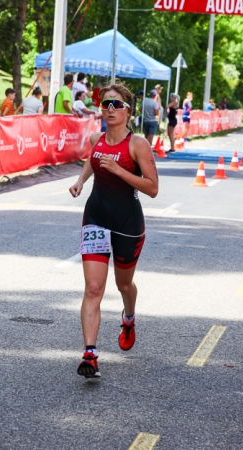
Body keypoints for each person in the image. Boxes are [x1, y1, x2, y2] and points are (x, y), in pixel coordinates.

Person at [68, 83, 159, 378]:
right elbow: (92, 161)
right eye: (106, 104)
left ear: (128, 110)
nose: (109, 109)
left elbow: (153, 188)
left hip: (127, 224)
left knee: (123, 285)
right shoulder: (96, 138)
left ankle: (128, 317)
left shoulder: (138, 145)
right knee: (93, 288)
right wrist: (81, 181)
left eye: (116, 105)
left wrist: (120, 170)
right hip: (95, 216)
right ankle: (90, 354)